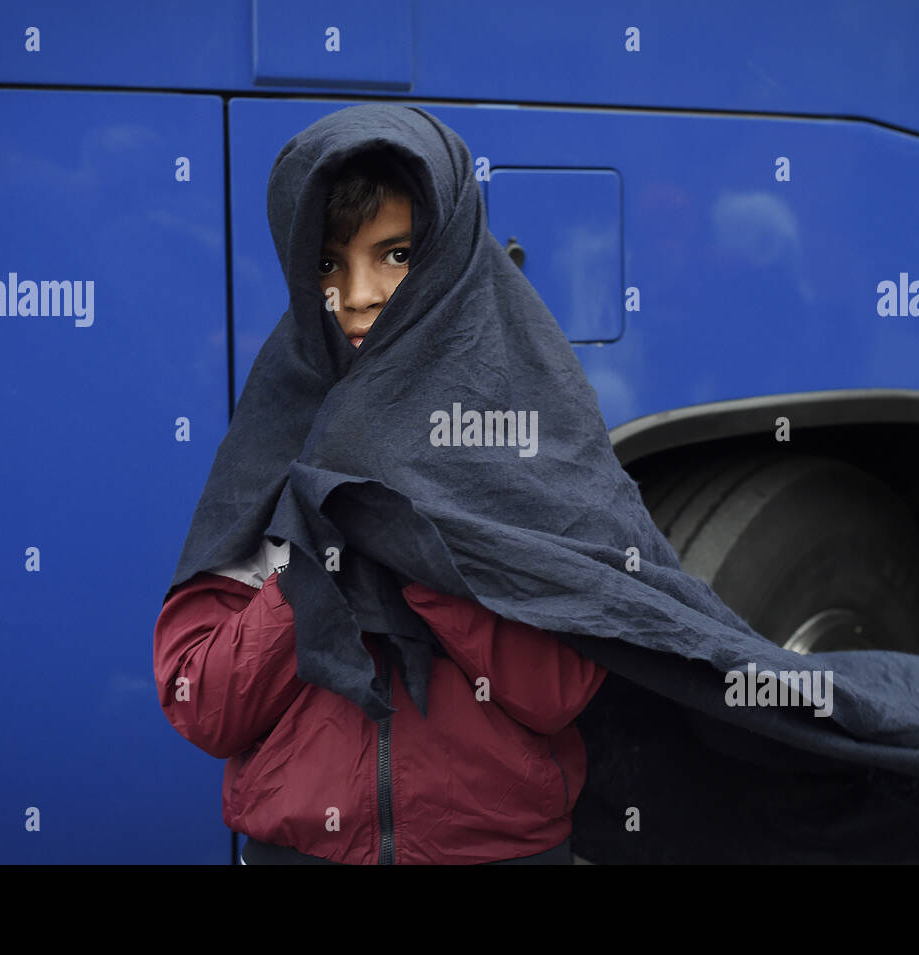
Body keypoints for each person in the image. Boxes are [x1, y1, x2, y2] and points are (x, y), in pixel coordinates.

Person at [153, 148, 608, 865]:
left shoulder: (529, 439)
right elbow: (203, 703)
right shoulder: (275, 440)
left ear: (453, 261)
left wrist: (414, 546)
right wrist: (319, 558)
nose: (358, 293)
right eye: (329, 264)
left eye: (395, 254)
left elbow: (557, 689)